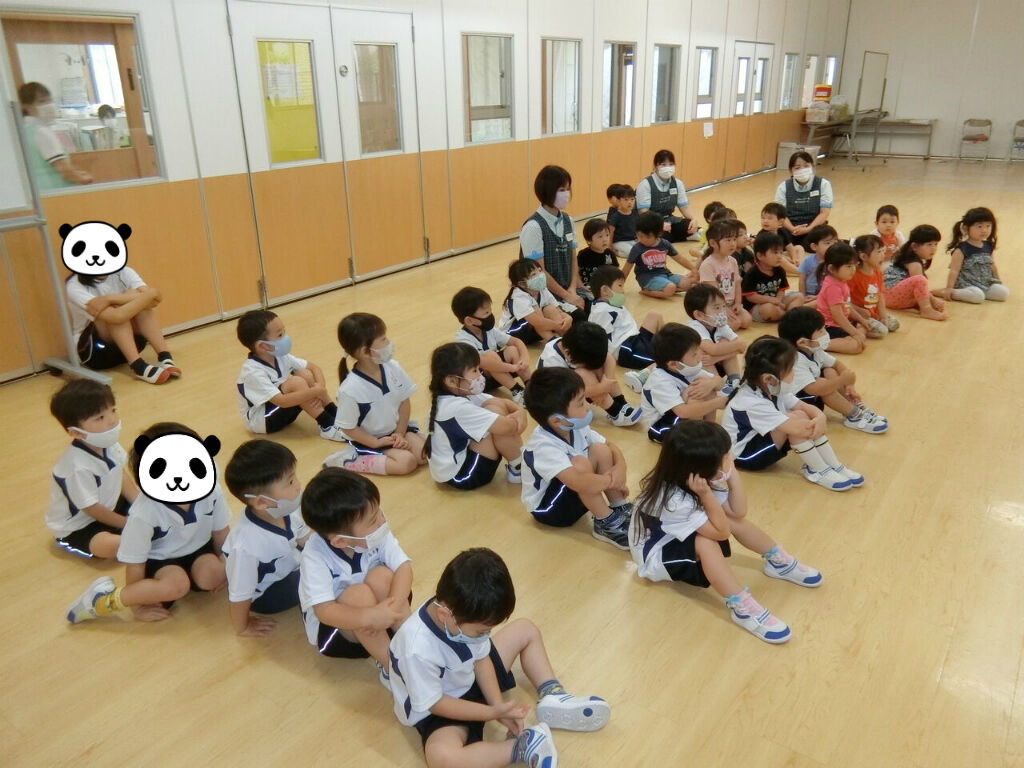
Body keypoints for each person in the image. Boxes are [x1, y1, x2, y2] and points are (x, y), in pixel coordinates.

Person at [388, 548, 609, 768]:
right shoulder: (416, 649)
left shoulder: (459, 615)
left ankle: (553, 694)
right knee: (443, 759)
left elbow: (481, 659)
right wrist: (490, 712)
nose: (486, 635)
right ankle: (523, 746)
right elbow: (436, 704)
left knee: (525, 629)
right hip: (441, 707)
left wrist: (497, 704)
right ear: (445, 615)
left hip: (469, 678)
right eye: (481, 631)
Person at [630, 420, 822, 643]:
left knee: (729, 518)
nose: (729, 458)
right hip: (655, 555)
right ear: (699, 469)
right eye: (724, 457)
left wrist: (732, 474)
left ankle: (776, 560)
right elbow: (721, 533)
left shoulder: (691, 479)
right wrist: (707, 496)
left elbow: (738, 511)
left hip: (676, 534)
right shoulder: (676, 500)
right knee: (706, 542)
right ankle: (741, 605)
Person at [66, 422, 230, 624]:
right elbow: (135, 563)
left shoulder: (211, 489)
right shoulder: (144, 512)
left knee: (214, 575)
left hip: (199, 549)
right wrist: (138, 606)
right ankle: (104, 600)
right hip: (160, 558)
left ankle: (193, 576)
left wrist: (225, 564)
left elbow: (221, 531)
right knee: (176, 586)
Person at [298, 467, 411, 672]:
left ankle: (414, 647)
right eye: (373, 520)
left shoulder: (375, 529)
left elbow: (404, 568)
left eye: (379, 511)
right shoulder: (314, 556)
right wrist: (370, 617)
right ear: (340, 541)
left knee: (383, 576)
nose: (382, 521)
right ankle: (393, 668)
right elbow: (325, 611)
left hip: (382, 616)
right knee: (357, 595)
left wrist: (390, 610)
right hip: (340, 631)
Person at [721, 337, 862, 491]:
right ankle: (818, 469)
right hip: (746, 455)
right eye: (790, 371)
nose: (794, 374)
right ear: (769, 378)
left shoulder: (770, 385)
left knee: (799, 413)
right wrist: (817, 423)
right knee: (795, 421)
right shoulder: (750, 401)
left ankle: (834, 465)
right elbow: (796, 429)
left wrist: (820, 417)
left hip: (761, 439)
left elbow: (803, 406)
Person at [521, 368, 633, 549]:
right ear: (557, 420)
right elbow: (577, 481)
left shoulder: (573, 426)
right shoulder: (543, 446)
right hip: (550, 509)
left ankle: (619, 506)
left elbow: (610, 446)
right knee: (580, 464)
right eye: (581, 403)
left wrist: (620, 468)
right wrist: (611, 481)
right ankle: (605, 522)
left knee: (600, 450)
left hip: (577, 490)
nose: (588, 406)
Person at [222, 439, 310, 637]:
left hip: (290, 566)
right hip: (269, 593)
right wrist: (243, 627)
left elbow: (304, 538)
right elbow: (240, 594)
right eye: (290, 482)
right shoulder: (247, 545)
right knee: (318, 577)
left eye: (294, 477)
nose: (298, 486)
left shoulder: (285, 509)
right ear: (262, 502)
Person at [47, 380, 138, 559]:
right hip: (81, 526)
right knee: (115, 546)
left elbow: (120, 474)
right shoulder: (76, 467)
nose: (112, 420)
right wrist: (127, 524)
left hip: (111, 505)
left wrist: (140, 502)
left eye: (113, 410)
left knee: (157, 502)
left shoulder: (108, 443)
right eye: (100, 418)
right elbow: (92, 509)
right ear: (76, 432)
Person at [324, 313, 425, 476]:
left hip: (397, 431)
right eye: (383, 339)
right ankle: (347, 461)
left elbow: (404, 402)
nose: (389, 343)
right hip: (370, 440)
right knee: (407, 463)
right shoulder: (349, 389)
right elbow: (348, 428)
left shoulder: (392, 367)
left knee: (424, 454)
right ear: (365, 351)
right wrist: (376, 442)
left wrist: (400, 432)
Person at [424, 343, 526, 489]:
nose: (480, 375)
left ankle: (518, 464)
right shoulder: (456, 408)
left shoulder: (457, 393)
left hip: (455, 466)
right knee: (497, 417)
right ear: (452, 381)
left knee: (494, 406)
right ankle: (518, 468)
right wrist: (519, 417)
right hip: (462, 475)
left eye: (479, 369)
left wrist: (519, 411)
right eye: (474, 371)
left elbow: (502, 402)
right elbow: (507, 427)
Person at [235, 310, 344, 440]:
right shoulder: (252, 372)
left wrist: (320, 387)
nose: (285, 338)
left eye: (284, 332)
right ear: (263, 346)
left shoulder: (279, 356)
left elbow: (314, 368)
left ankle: (335, 413)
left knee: (305, 374)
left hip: (279, 409)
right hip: (263, 421)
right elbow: (282, 401)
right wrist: (314, 391)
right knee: (296, 382)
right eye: (280, 335)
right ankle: (327, 425)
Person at [778, 307, 888, 434]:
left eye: (824, 328)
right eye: (820, 331)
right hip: (797, 406)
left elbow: (837, 364)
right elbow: (814, 389)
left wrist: (849, 385)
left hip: (810, 397)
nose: (826, 334)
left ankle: (852, 403)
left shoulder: (814, 350)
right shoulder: (795, 361)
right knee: (823, 385)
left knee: (829, 370)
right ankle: (853, 415)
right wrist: (841, 381)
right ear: (803, 342)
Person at [65, 264, 178, 384]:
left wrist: (110, 298)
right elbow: (116, 316)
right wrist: (149, 294)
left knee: (138, 304)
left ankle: (164, 357)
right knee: (116, 309)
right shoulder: (74, 285)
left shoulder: (124, 272)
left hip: (132, 344)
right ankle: (138, 366)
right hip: (94, 352)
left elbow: (153, 301)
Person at [537, 321, 642, 427]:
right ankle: (614, 412)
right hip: (556, 400)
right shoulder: (552, 362)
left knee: (602, 362)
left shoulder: (572, 346)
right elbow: (567, 392)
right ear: (568, 353)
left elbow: (608, 358)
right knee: (584, 373)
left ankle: (621, 403)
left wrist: (607, 382)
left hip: (574, 391)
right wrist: (600, 388)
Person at [519, 165, 587, 318]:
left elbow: (573, 258)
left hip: (568, 290)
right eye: (561, 190)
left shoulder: (568, 220)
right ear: (547, 191)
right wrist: (567, 296)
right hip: (544, 297)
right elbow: (538, 273)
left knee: (598, 306)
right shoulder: (533, 227)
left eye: (568, 189)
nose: (566, 194)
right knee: (579, 318)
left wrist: (572, 289)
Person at [641, 323, 726, 442]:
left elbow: (719, 382)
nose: (700, 355)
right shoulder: (660, 381)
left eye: (699, 349)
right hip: (662, 427)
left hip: (680, 415)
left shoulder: (686, 367)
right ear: (673, 364)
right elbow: (683, 412)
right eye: (694, 354)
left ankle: (709, 427)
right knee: (694, 393)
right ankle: (697, 438)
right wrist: (716, 403)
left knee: (706, 384)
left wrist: (711, 384)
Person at [587, 264, 663, 391]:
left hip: (635, 339)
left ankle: (665, 344)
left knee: (654, 315)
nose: (623, 290)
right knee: (666, 358)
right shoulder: (601, 311)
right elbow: (597, 338)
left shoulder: (611, 304)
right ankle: (641, 376)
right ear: (605, 290)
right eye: (620, 286)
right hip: (627, 349)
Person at [451, 286, 531, 404]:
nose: (490, 316)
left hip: (496, 373)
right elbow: (483, 362)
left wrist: (525, 357)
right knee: (490, 356)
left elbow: (516, 341)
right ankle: (517, 391)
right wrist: (511, 368)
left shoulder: (489, 330)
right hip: (478, 383)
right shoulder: (463, 339)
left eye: (490, 311)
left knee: (513, 350)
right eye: (486, 313)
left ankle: (531, 387)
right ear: (469, 321)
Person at [18, 82, 92, 189]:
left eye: (49, 100)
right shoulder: (42, 132)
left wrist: (76, 173)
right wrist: (83, 178)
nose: (48, 105)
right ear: (26, 106)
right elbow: (62, 168)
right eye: (41, 101)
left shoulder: (24, 131)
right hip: (55, 190)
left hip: (38, 190)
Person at [683, 283, 745, 391]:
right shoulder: (694, 327)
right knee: (702, 352)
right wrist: (735, 346)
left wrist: (717, 358)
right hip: (694, 372)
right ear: (699, 315)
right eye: (717, 308)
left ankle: (734, 380)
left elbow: (742, 346)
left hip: (713, 362)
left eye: (724, 306)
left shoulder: (719, 325)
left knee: (725, 342)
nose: (722, 312)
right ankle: (719, 387)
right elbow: (713, 349)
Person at [623, 212, 698, 299]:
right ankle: (646, 291)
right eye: (639, 236)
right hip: (647, 278)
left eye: (647, 237)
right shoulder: (637, 248)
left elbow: (680, 259)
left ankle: (667, 289)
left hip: (665, 274)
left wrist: (693, 269)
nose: (642, 239)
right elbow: (627, 267)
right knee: (670, 288)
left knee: (687, 284)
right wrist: (620, 284)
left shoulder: (665, 244)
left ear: (658, 234)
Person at [940, 207, 1008, 303]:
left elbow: (992, 265)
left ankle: (980, 292)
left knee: (1003, 293)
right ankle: (944, 292)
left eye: (988, 226)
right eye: (979, 226)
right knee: (978, 297)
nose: (984, 230)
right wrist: (949, 288)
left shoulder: (988, 246)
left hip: (985, 282)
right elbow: (954, 271)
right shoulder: (961, 249)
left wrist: (998, 281)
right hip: (966, 284)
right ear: (966, 229)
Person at [498, 259, 573, 344]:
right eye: (534, 274)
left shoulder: (542, 289)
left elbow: (558, 310)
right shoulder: (518, 297)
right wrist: (558, 325)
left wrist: (568, 318)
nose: (540, 275)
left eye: (540, 271)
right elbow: (538, 322)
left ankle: (566, 339)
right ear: (522, 284)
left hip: (533, 328)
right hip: (513, 333)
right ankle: (555, 343)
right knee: (536, 310)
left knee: (549, 309)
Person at [883, 224, 947, 320]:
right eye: (929, 244)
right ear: (914, 246)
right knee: (920, 279)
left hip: (891, 297)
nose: (933, 248)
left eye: (935, 244)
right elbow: (919, 282)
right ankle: (926, 310)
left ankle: (925, 306)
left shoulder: (912, 258)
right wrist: (933, 300)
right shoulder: (914, 263)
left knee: (921, 287)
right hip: (891, 297)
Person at [815, 243, 868, 354]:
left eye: (854, 265)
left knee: (863, 324)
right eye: (848, 266)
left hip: (841, 322)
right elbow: (837, 316)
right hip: (830, 326)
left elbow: (847, 306)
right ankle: (819, 344)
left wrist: (861, 320)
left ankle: (851, 337)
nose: (853, 270)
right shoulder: (833, 287)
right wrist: (855, 333)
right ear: (832, 268)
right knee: (855, 347)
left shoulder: (841, 281)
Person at [741, 231, 805, 323]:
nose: (780, 256)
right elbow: (751, 297)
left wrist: (778, 300)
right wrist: (771, 300)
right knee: (768, 309)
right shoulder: (752, 273)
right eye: (775, 253)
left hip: (776, 301)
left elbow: (781, 289)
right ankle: (790, 316)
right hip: (758, 305)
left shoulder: (780, 270)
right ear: (760, 255)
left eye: (781, 252)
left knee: (799, 296)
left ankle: (789, 316)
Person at [698, 219, 751, 330]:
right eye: (728, 240)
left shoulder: (732, 261)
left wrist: (738, 303)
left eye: (734, 239)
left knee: (747, 321)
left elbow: (737, 284)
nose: (732, 244)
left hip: (731, 304)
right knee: (734, 324)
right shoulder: (708, 264)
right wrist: (724, 309)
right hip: (715, 305)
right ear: (713, 243)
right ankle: (706, 322)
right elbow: (713, 292)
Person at [635, 149, 699, 241]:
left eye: (671, 164)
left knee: (688, 225)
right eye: (663, 165)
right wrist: (659, 224)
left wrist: (693, 220)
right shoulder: (645, 184)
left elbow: (684, 207)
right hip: (650, 222)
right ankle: (681, 236)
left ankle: (684, 235)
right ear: (655, 166)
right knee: (658, 234)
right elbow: (643, 212)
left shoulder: (678, 183)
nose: (668, 168)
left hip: (669, 220)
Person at [774, 151, 833, 248]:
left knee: (820, 244)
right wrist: (792, 229)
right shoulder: (783, 187)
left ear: (812, 167)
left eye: (806, 166)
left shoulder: (823, 184)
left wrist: (808, 229)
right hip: (789, 228)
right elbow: (780, 215)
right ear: (791, 171)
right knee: (774, 241)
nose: (802, 170)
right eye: (797, 167)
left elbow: (824, 213)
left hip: (815, 227)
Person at [850, 234, 899, 336]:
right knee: (882, 331)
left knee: (894, 324)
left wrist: (883, 316)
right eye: (878, 252)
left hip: (873, 312)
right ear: (863, 256)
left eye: (883, 251)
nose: (883, 255)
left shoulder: (877, 272)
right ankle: (856, 326)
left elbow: (880, 295)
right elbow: (843, 301)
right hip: (857, 315)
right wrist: (859, 311)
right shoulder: (853, 275)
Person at [576, 218, 619, 300]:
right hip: (588, 287)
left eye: (607, 235)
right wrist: (580, 285)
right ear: (589, 240)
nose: (605, 239)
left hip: (605, 288)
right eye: (600, 236)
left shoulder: (610, 253)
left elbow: (616, 272)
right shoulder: (583, 254)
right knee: (588, 298)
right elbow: (575, 272)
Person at [759, 202, 804, 273]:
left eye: (769, 218)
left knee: (799, 248)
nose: (765, 221)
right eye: (763, 218)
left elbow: (790, 247)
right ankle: (799, 271)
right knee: (781, 259)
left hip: (781, 255)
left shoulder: (782, 231)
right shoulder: (763, 235)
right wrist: (784, 258)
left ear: (780, 222)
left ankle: (799, 264)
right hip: (769, 259)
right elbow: (769, 254)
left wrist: (794, 258)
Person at [797, 224, 838, 298]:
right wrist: (803, 296)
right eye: (828, 243)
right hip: (809, 294)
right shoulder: (808, 260)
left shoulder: (837, 261)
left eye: (835, 242)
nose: (832, 246)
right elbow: (802, 279)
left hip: (827, 296)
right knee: (796, 298)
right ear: (814, 246)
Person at [606, 183, 639, 259]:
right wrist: (610, 245)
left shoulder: (634, 213)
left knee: (643, 249)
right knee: (632, 252)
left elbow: (638, 227)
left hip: (633, 240)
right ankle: (616, 252)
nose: (629, 202)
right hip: (619, 242)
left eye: (632, 199)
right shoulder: (616, 216)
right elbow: (611, 231)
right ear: (618, 200)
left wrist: (639, 238)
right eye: (626, 199)